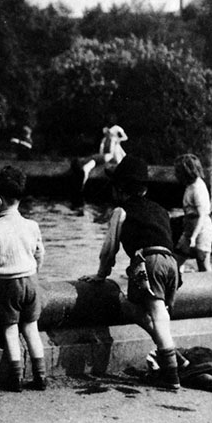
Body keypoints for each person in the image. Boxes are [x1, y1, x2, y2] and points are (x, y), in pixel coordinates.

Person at [80, 155, 181, 390]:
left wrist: (101, 275)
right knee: (155, 311)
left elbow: (109, 249)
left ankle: (171, 374)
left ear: (119, 189)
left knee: (143, 310)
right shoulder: (161, 210)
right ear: (144, 188)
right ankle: (172, 359)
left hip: (148, 261)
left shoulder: (121, 211)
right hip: (170, 262)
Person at [0, 166, 46, 391]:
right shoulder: (32, 225)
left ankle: (14, 377)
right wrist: (35, 272)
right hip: (31, 281)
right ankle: (40, 375)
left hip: (6, 285)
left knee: (10, 329)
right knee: (31, 328)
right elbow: (40, 254)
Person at [173, 154, 212, 273]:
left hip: (200, 231)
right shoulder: (190, 186)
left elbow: (202, 215)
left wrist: (194, 237)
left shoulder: (198, 188)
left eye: (178, 171)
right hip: (189, 230)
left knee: (204, 266)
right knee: (176, 260)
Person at [76, 124, 128, 190]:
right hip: (101, 157)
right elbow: (102, 152)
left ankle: (83, 163)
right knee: (86, 167)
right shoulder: (104, 140)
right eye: (106, 133)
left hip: (106, 157)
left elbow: (116, 153)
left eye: (108, 133)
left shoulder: (114, 140)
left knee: (95, 159)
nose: (107, 134)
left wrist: (118, 140)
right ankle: (82, 183)